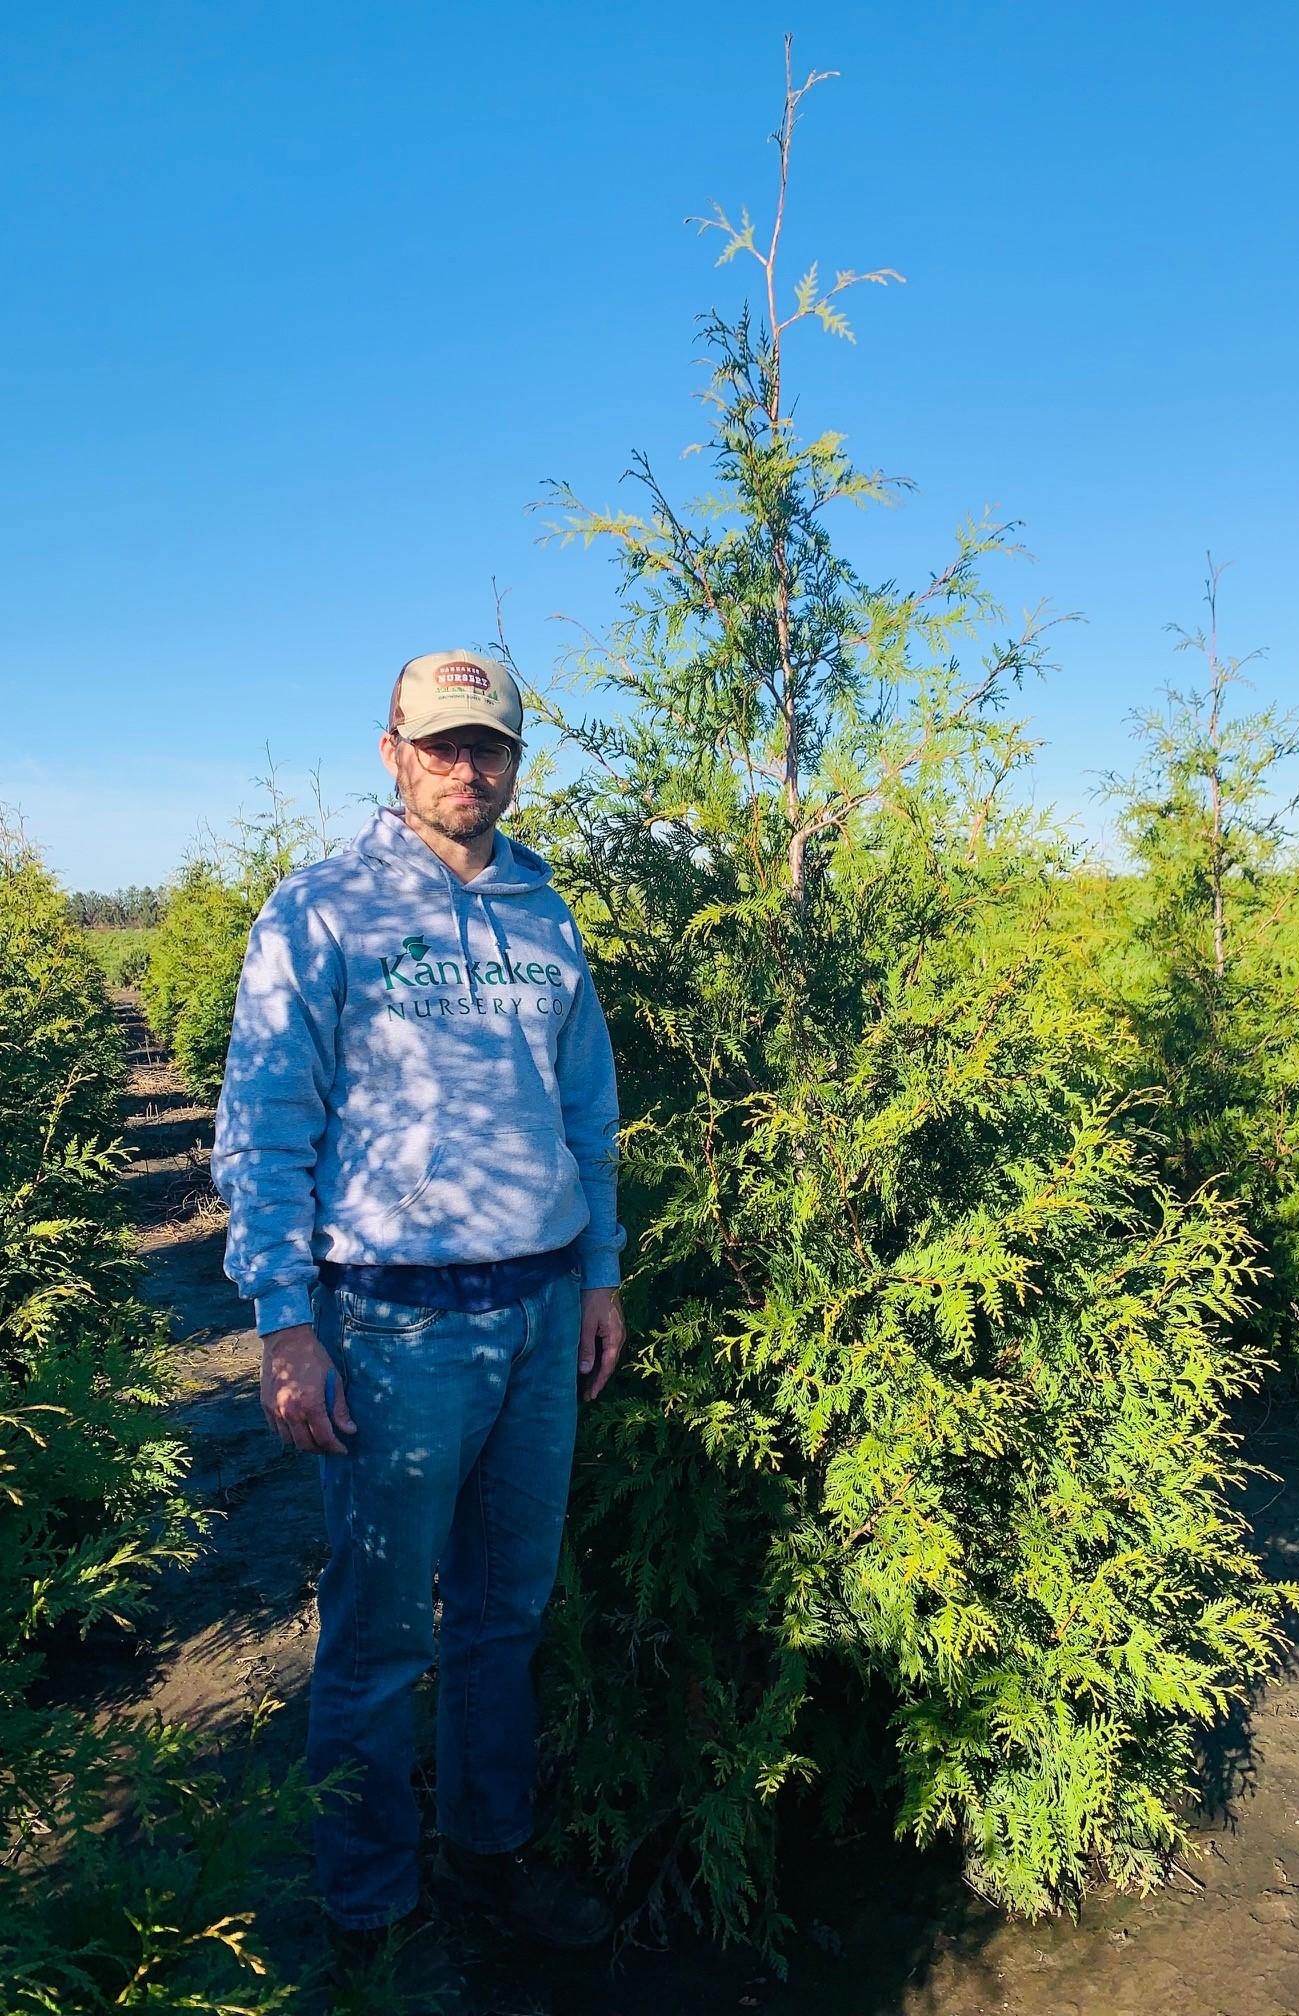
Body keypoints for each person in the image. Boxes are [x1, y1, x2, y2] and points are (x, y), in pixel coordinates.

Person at [212, 649, 625, 1964]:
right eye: (442, 743)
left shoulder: (547, 918)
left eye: (490, 745)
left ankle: (492, 1853)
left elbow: (588, 1118)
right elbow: (265, 1127)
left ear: (515, 760)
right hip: (389, 1323)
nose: (468, 766)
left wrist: (600, 1267)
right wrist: (285, 1319)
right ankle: (370, 1906)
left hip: (545, 1307)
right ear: (391, 750)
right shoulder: (320, 912)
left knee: (508, 1609)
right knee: (382, 1632)